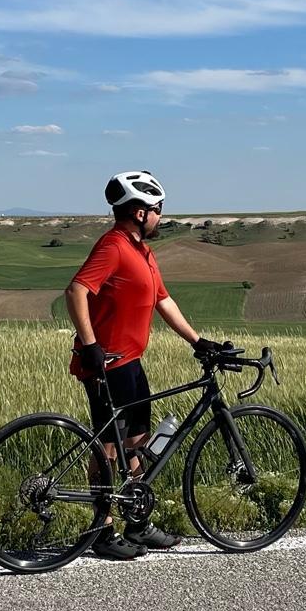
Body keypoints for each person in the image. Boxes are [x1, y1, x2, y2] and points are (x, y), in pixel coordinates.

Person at [64, 169, 213, 561]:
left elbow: (163, 300)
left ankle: (137, 522)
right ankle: (101, 529)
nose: (160, 216)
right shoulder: (113, 246)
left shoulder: (143, 252)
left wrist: (198, 341)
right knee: (107, 449)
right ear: (139, 212)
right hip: (107, 365)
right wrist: (90, 346)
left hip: (131, 362)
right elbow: (76, 291)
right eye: (157, 209)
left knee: (137, 442)